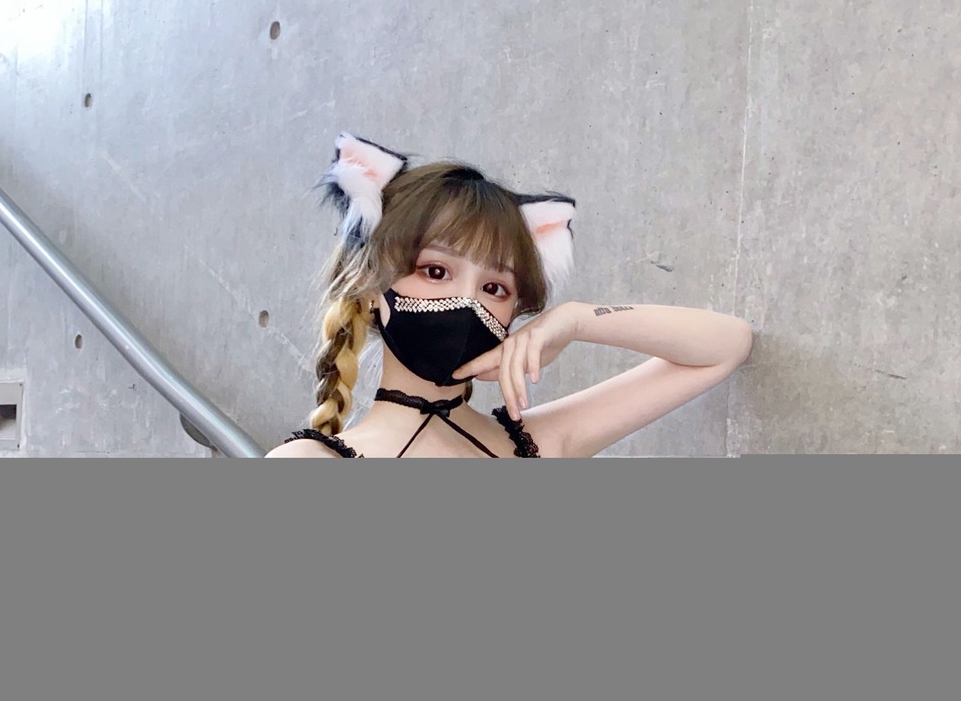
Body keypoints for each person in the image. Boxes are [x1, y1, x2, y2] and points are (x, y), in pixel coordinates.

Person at [266, 132, 754, 459]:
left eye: (494, 288)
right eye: (436, 271)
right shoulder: (308, 462)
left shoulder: (539, 443)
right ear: (372, 286)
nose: (467, 301)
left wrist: (576, 320)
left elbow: (726, 345)